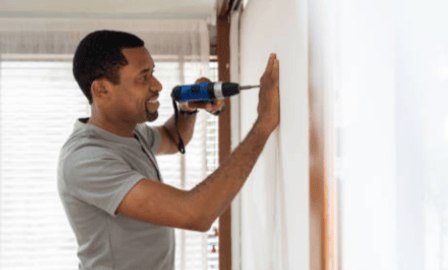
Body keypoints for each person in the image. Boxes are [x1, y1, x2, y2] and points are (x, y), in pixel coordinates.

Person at [57, 30, 280, 270]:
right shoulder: (86, 160)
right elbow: (196, 213)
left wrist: (187, 108)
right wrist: (264, 124)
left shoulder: (129, 131)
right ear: (101, 90)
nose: (158, 85)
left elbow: (173, 138)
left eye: (153, 72)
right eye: (143, 78)